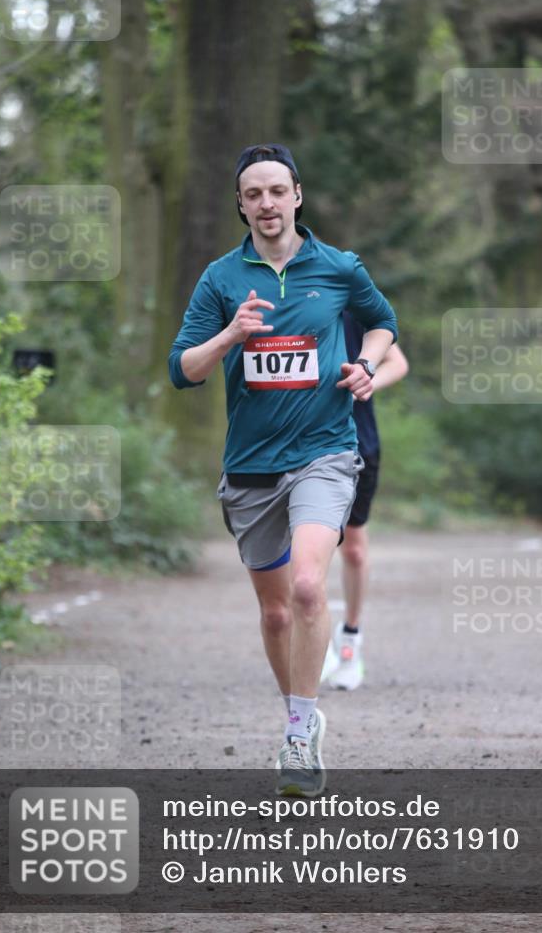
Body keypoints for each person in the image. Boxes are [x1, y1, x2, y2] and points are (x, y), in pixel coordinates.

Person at [168, 144, 398, 796]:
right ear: (240, 205)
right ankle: (301, 713)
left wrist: (366, 365)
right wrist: (230, 336)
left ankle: (297, 736)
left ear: (297, 194)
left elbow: (382, 324)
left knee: (305, 586)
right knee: (274, 616)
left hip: (326, 453)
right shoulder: (219, 280)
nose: (266, 204)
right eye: (253, 194)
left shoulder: (338, 268)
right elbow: (182, 370)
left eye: (277, 190)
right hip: (250, 468)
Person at [322, 311, 409, 690]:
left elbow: (397, 361)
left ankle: (350, 639)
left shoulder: (349, 310)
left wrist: (369, 380)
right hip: (306, 445)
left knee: (353, 550)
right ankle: (317, 639)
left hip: (359, 442)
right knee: (309, 548)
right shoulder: (286, 309)